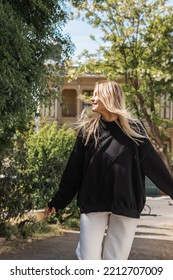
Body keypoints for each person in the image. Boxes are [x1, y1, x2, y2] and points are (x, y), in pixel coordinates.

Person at [45, 80, 173, 260]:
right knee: (88, 260)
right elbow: (73, 171)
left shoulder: (134, 129)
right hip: (93, 202)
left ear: (110, 97)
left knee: (115, 264)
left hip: (126, 204)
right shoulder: (88, 131)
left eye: (97, 93)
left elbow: (154, 165)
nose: (92, 98)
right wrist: (58, 202)